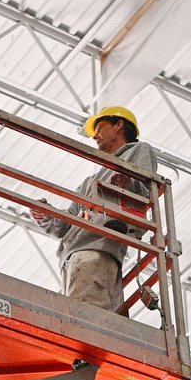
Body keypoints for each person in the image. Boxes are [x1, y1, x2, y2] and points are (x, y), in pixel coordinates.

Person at [31, 104, 158, 312]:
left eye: (99, 127)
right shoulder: (91, 182)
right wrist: (46, 215)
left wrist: (127, 184)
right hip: (74, 257)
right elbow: (65, 224)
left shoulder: (139, 150)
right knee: (84, 314)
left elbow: (145, 188)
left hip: (95, 250)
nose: (94, 136)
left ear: (118, 125)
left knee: (84, 317)